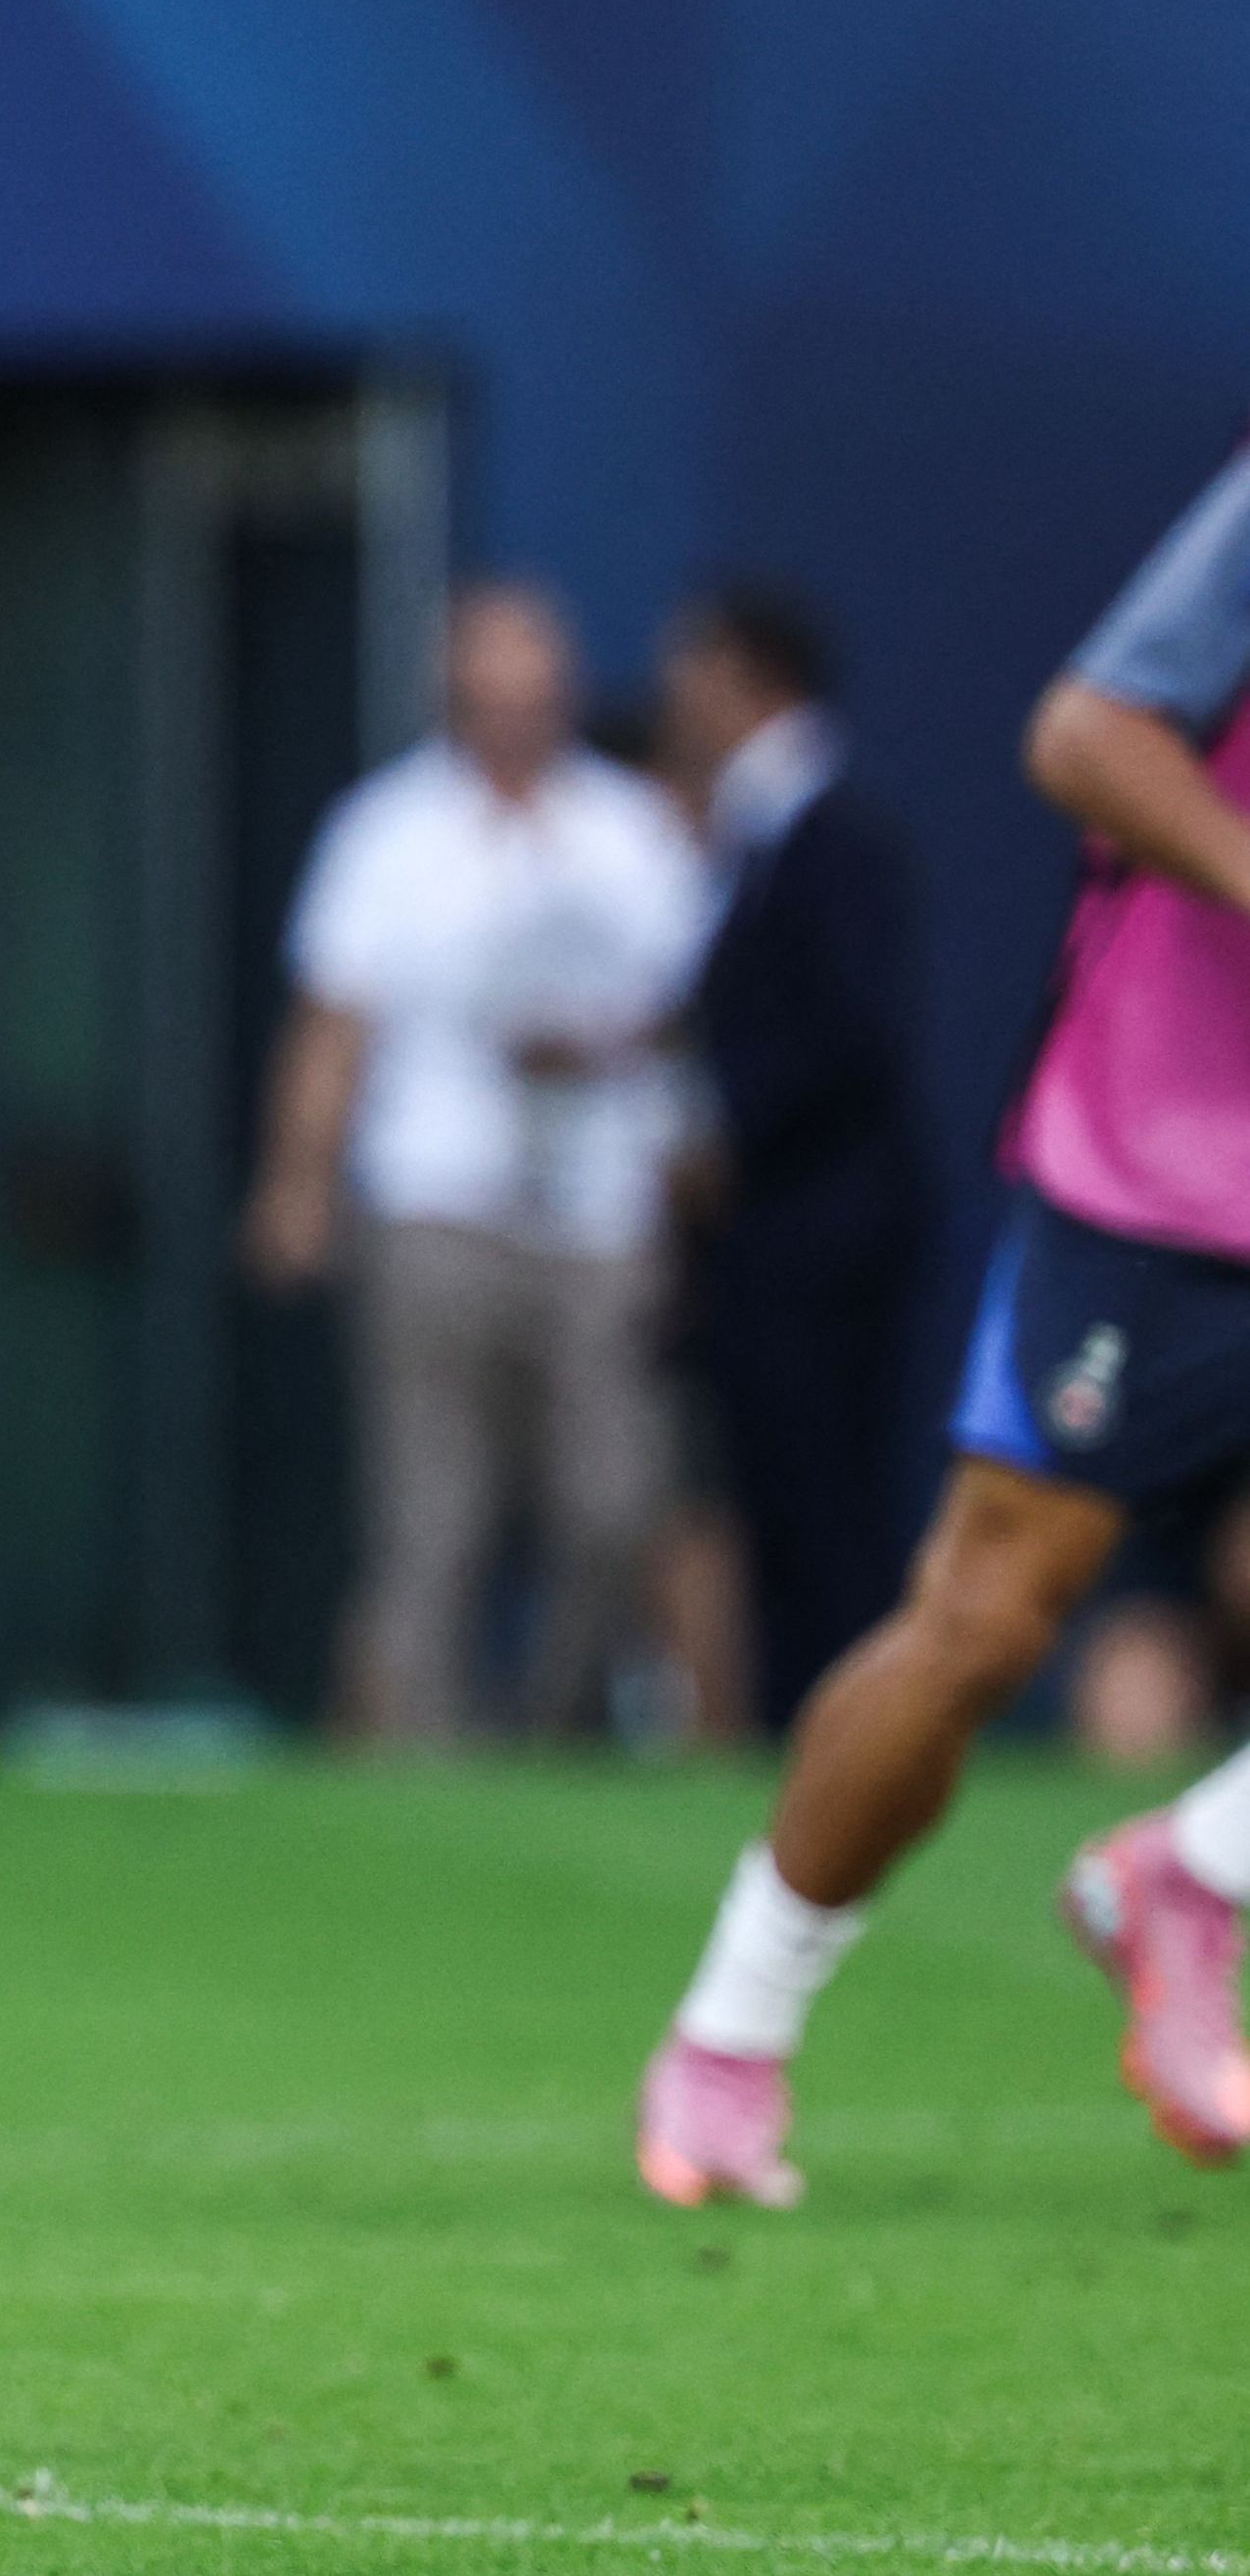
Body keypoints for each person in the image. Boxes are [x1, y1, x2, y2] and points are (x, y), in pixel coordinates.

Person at [638, 444, 1250, 2207]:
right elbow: (1086, 734)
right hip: (1164, 1161)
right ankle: (729, 2033)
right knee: (984, 1618)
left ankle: (1199, 1866)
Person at [245, 583, 714, 1742]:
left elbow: (692, 1014)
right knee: (432, 1513)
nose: (514, 717)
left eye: (534, 695)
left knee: (614, 1501)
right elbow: (334, 1021)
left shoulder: (633, 830)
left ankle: (553, 1733)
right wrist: (297, 1180)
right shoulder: (385, 833)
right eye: (491, 696)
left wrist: (631, 1081)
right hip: (436, 1196)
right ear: (453, 698)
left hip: (601, 1206)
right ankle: (427, 1757)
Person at [662, 580, 927, 1734]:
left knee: (828, 1506)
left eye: (695, 670)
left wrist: (732, 1136)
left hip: (822, 1233)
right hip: (780, 1237)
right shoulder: (753, 838)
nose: (678, 695)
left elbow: (852, 1033)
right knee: (776, 1503)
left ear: (749, 678)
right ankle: (804, 1737)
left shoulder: (831, 839)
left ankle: (854, 1737)